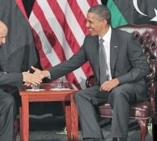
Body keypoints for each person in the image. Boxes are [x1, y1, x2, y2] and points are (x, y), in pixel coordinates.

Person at [32, 5, 149, 141]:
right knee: (81, 95)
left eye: (90, 22)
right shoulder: (90, 41)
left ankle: (118, 137)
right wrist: (45, 73)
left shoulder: (126, 39)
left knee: (119, 92)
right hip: (104, 87)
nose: (87, 25)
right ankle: (93, 137)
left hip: (130, 86)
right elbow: (72, 63)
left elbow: (142, 68)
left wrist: (117, 81)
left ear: (103, 22)